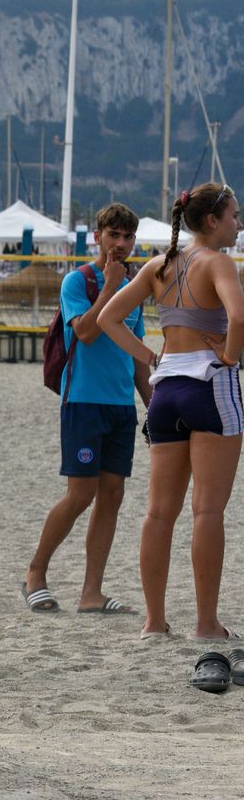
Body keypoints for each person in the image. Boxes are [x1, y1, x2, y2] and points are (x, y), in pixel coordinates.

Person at [97, 183, 243, 641]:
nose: (239, 224)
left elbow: (107, 319)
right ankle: (205, 623)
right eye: (235, 216)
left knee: (159, 513)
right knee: (207, 512)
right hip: (209, 386)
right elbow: (238, 317)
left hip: (166, 391)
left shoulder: (160, 264)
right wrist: (232, 358)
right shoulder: (217, 262)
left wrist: (149, 356)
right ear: (213, 221)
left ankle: (154, 621)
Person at [23, 203, 151, 614]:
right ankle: (35, 574)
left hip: (119, 405)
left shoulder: (136, 284)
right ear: (97, 237)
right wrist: (112, 286)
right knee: (80, 494)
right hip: (82, 400)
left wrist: (153, 406)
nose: (120, 244)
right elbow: (87, 333)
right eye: (113, 235)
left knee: (112, 494)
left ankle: (91, 592)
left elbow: (135, 356)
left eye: (128, 237)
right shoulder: (78, 281)